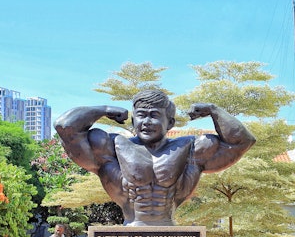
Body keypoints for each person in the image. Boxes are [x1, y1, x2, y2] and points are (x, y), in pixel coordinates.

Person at [54, 89, 255, 226]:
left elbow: (242, 142)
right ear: (134, 120)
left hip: (170, 230)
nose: (146, 121)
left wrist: (214, 110)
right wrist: (103, 110)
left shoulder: (190, 149)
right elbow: (65, 127)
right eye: (141, 115)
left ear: (170, 123)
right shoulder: (113, 147)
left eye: (154, 115)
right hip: (130, 228)